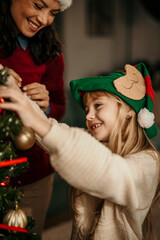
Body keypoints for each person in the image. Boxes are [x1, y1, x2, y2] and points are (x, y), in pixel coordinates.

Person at [0, 62, 160, 240]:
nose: (89, 115)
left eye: (98, 105)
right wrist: (15, 90)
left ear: (129, 110)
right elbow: (53, 131)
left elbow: (111, 173)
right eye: (86, 109)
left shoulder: (149, 161)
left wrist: (38, 124)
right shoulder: (93, 141)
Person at [0, 0, 72, 235]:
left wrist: (46, 106)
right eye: (38, 5)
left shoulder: (50, 51)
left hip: (34, 177)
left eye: (53, 12)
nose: (44, 20)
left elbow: (60, 107)